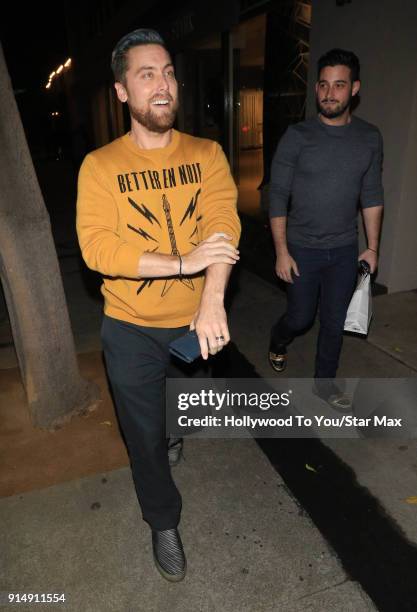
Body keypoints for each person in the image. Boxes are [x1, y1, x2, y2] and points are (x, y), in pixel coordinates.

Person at [76, 28, 241, 582]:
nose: (163, 84)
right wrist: (181, 261)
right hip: (130, 328)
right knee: (143, 438)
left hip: (195, 323)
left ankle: (172, 428)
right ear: (123, 91)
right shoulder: (100, 167)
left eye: (168, 71)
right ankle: (163, 521)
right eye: (147, 74)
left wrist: (212, 299)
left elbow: (223, 223)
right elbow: (99, 249)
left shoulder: (207, 153)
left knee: (184, 406)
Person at [268, 48, 383, 409]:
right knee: (301, 318)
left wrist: (372, 247)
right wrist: (282, 251)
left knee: (334, 322)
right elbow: (278, 195)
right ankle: (278, 338)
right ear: (316, 89)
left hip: (345, 249)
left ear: (354, 89)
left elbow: (372, 194)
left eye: (339, 85)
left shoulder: (369, 137)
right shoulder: (297, 136)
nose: (329, 93)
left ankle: (324, 384)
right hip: (301, 247)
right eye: (323, 85)